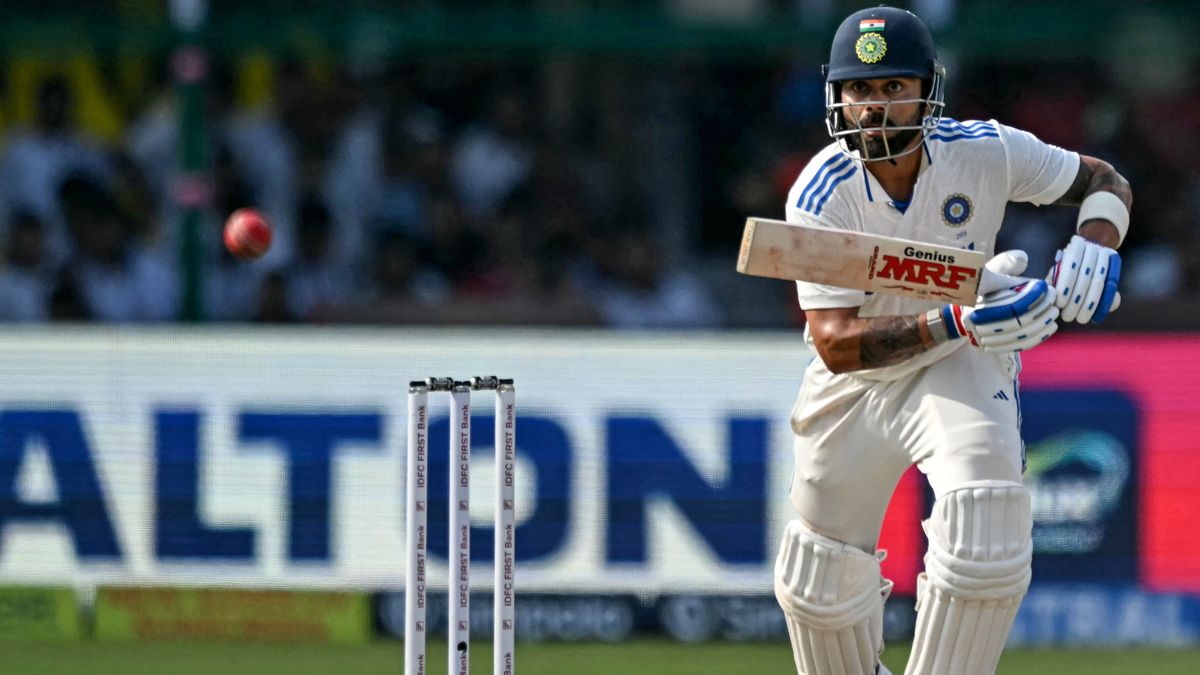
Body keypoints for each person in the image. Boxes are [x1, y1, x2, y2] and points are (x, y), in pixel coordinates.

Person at [771, 6, 1131, 675]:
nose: (874, 108)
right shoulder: (821, 192)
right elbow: (835, 342)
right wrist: (957, 318)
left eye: (892, 88)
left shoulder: (983, 151)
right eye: (860, 91)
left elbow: (1105, 180)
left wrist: (1097, 240)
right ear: (837, 97)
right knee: (817, 579)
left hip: (958, 364)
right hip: (859, 378)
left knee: (985, 526)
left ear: (927, 90)